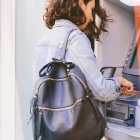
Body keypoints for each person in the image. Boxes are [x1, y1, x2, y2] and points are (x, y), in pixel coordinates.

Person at [33, 0, 137, 103]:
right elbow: (101, 92)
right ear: (81, 3)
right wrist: (119, 81)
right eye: (91, 9)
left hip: (46, 119)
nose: (92, 18)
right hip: (71, 119)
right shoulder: (75, 38)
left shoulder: (43, 41)